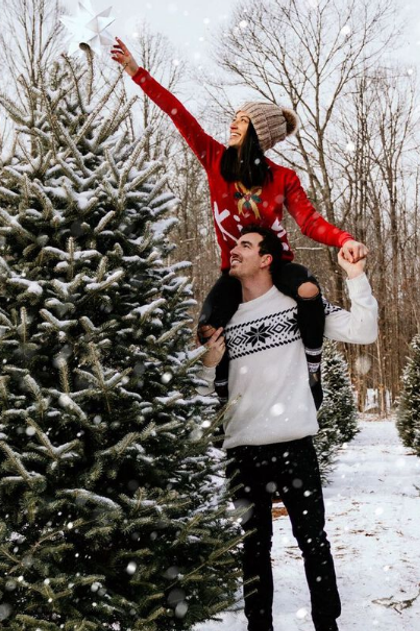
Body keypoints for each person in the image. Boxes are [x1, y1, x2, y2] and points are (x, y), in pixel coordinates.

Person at [110, 36, 368, 410]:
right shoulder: (216, 160)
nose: (233, 125)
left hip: (275, 264)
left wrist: (343, 238)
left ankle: (313, 366)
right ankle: (221, 389)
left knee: (309, 291)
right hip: (232, 271)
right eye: (234, 119)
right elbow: (179, 115)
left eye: (242, 122)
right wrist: (137, 72)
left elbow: (309, 221)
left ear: (258, 134)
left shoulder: (282, 178)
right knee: (209, 324)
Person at [197, 226, 378, 631]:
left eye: (245, 245)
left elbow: (364, 331)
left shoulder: (299, 306)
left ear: (266, 259)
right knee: (253, 548)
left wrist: (355, 276)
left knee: (313, 543)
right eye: (234, 244)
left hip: (294, 443)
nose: (233, 251)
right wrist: (206, 366)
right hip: (242, 448)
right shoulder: (223, 317)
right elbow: (201, 391)